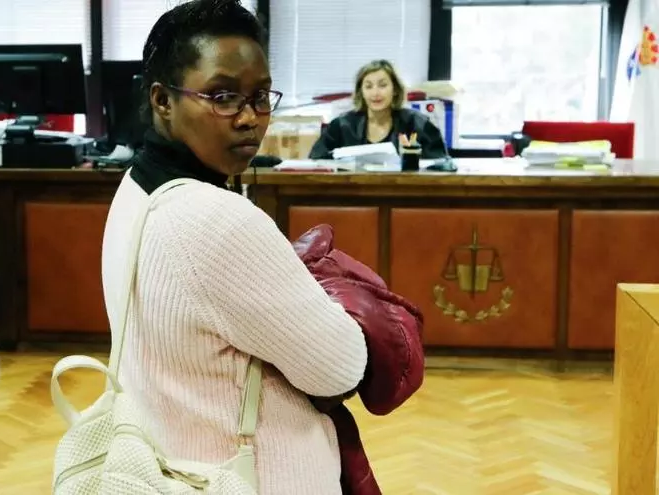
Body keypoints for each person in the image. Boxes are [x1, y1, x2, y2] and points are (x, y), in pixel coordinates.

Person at [100, 1, 368, 494]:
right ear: (162, 100)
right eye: (223, 96)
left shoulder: (135, 187)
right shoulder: (218, 220)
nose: (249, 118)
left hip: (173, 459)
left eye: (260, 96)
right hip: (250, 476)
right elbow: (341, 368)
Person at [309, 59, 448, 160]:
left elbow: (441, 165)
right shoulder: (341, 125)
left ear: (395, 89)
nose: (375, 93)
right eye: (368, 86)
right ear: (361, 92)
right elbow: (316, 161)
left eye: (382, 85)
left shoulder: (418, 123)